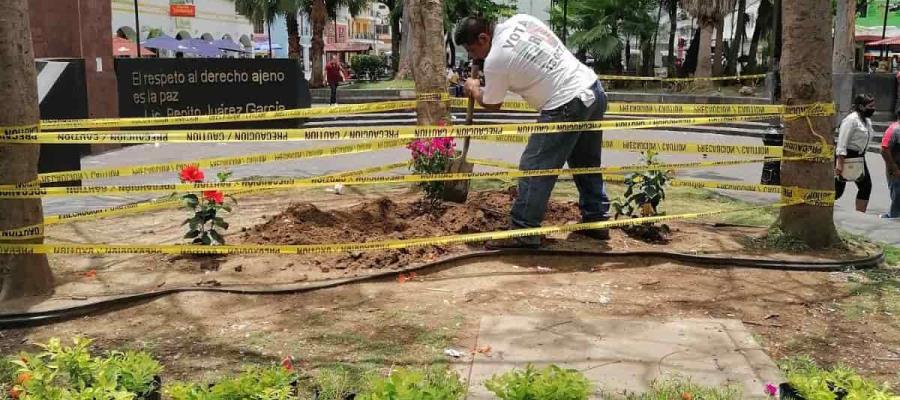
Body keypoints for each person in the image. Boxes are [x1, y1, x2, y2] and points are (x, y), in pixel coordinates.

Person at [456, 14, 610, 249]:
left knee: (535, 166)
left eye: (471, 49)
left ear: (484, 37)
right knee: (585, 161)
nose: (471, 56)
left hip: (565, 103)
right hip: (592, 89)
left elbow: (493, 103)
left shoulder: (496, 58)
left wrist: (474, 89)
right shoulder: (522, 20)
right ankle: (596, 219)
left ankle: (523, 230)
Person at [835, 94, 875, 213]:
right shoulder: (851, 120)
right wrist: (839, 164)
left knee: (866, 186)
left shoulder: (867, 121)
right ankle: (819, 211)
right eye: (870, 106)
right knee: (837, 191)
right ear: (861, 107)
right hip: (846, 156)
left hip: (859, 157)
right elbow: (842, 142)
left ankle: (860, 216)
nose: (873, 108)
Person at [881, 109, 900, 219]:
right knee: (897, 195)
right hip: (896, 169)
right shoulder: (894, 130)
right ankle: (892, 217)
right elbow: (884, 149)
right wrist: (894, 168)